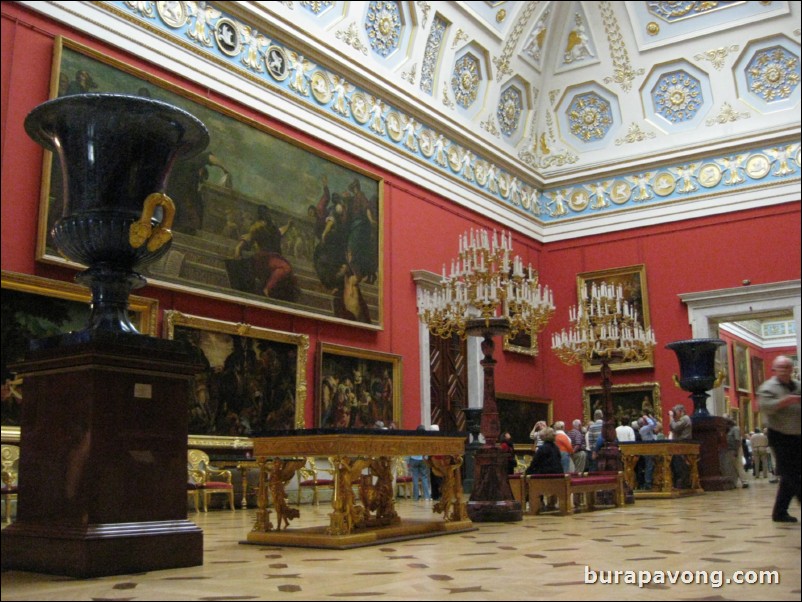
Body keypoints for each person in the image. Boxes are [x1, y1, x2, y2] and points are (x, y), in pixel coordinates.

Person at [757, 355, 801, 523]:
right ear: (774, 370)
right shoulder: (768, 387)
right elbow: (765, 407)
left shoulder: (797, 386)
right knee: (790, 473)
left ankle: (779, 512)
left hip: (797, 435)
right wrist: (787, 401)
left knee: (791, 475)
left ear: (792, 369)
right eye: (780, 368)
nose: (784, 371)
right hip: (779, 435)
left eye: (787, 367)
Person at [669, 404, 692, 488]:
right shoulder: (679, 419)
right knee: (675, 463)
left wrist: (671, 417)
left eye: (676, 412)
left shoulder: (685, 418)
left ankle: (682, 482)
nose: (675, 414)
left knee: (680, 464)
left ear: (681, 411)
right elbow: (672, 428)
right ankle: (677, 482)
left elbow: (674, 427)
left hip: (683, 444)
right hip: (678, 444)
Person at [407, 426, 431, 501]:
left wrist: (408, 460)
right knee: (424, 477)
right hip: (423, 459)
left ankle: (415, 497)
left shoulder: (413, 439)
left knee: (415, 478)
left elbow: (409, 449)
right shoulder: (426, 439)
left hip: (413, 458)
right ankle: (427, 496)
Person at [725, 418, 750, 489]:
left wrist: (736, 451)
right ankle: (734, 483)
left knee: (739, 466)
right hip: (731, 449)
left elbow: (737, 440)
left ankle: (744, 481)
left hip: (736, 449)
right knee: (733, 467)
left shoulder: (735, 429)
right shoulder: (729, 430)